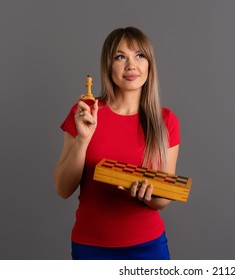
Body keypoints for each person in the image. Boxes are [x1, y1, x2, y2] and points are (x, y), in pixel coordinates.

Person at [53, 27, 180, 260]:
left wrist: (147, 195)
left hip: (148, 246)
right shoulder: (85, 112)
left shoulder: (166, 120)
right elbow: (63, 189)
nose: (131, 65)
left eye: (139, 55)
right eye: (120, 56)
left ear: (150, 64)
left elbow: (164, 199)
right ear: (108, 66)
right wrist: (83, 139)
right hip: (90, 246)